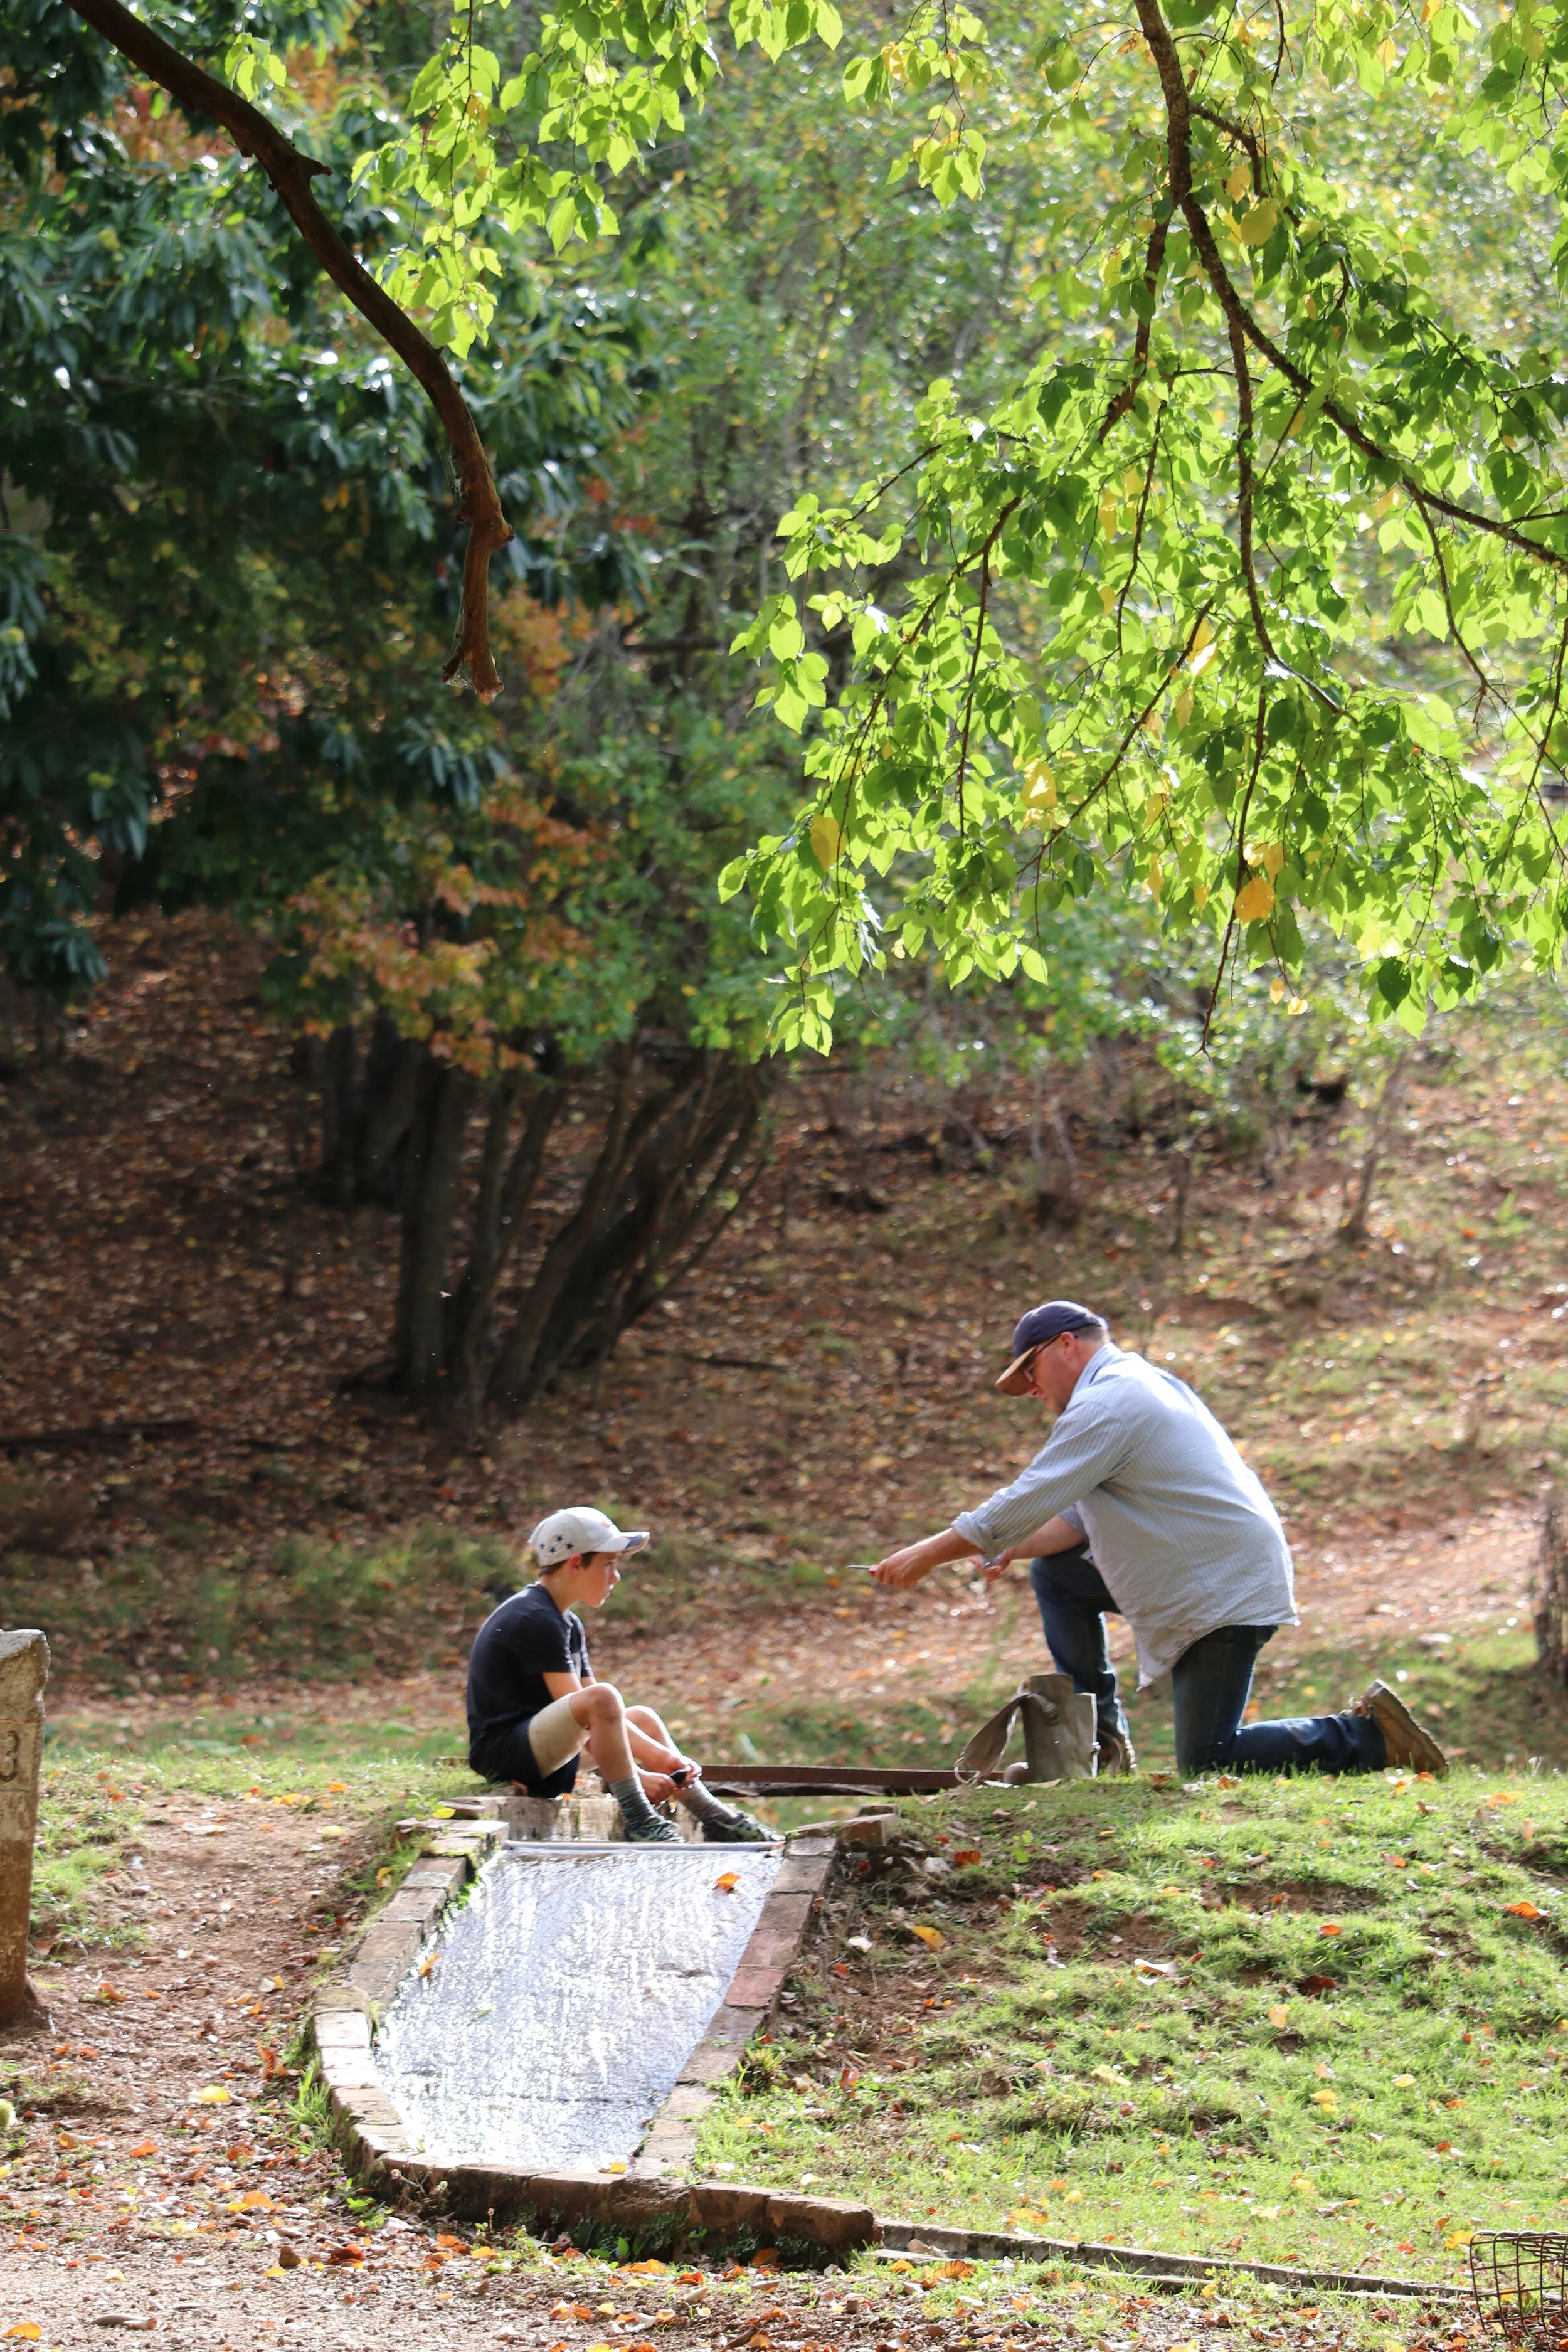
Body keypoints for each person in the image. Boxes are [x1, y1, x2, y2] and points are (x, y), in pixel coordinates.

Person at [871, 1300, 1446, 1780]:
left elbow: (1022, 1501)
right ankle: (1101, 1745)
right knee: (1058, 1577)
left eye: (1030, 1371)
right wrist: (1014, 1547)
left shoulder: (1108, 1404)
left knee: (1210, 1760)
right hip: (1198, 1572)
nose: (1029, 1390)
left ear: (1065, 1346)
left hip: (1220, 1586)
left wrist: (926, 1555)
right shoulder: (1133, 1386)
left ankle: (1367, 1736)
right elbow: (1070, 1521)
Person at [466, 1505, 771, 1843]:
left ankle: (718, 1819)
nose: (616, 1577)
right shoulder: (534, 1618)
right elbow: (585, 1708)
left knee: (641, 1718)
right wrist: (642, 1773)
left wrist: (665, 1758)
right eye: (608, 1565)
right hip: (504, 1754)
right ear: (576, 1563)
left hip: (537, 1746)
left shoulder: (566, 1622)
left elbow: (599, 1717)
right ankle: (640, 1818)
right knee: (605, 1698)